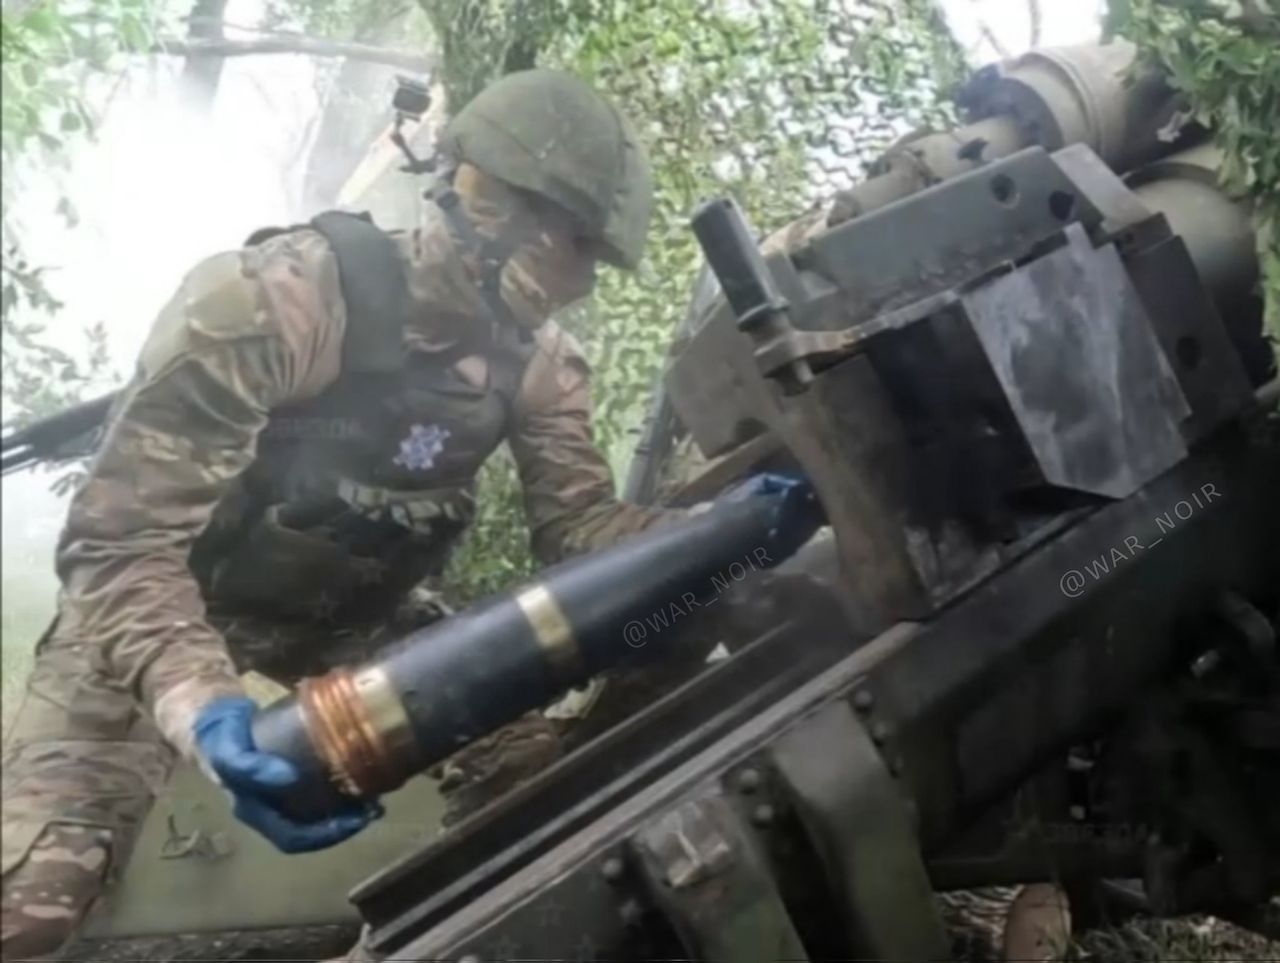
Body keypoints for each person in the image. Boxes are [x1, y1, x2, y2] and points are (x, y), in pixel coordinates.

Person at [0, 68, 821, 960]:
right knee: (34, 895)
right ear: (483, 197)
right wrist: (202, 706)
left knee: (537, 792)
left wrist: (730, 533)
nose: (580, 280)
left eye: (594, 256)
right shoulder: (277, 303)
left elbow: (579, 533)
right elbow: (121, 546)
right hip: (163, 606)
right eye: (569, 242)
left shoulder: (538, 366)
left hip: (355, 617)